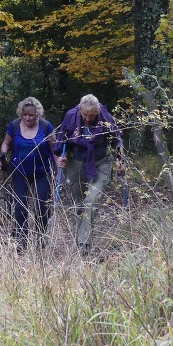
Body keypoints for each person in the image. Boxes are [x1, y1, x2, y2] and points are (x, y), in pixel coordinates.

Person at [53, 93, 124, 255]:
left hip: (101, 163)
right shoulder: (71, 116)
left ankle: (84, 245)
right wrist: (61, 158)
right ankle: (80, 239)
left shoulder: (105, 117)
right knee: (79, 204)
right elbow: (60, 142)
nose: (88, 118)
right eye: (85, 115)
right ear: (80, 111)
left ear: (97, 112)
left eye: (92, 115)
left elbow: (117, 139)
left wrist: (121, 161)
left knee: (90, 201)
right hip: (76, 162)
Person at [0, 97, 56, 252]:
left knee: (41, 206)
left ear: (37, 115)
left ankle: (41, 240)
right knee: (20, 207)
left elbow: (54, 149)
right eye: (25, 115)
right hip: (19, 171)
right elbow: (6, 143)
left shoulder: (46, 126)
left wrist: (58, 168)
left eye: (31, 115)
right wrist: (2, 154)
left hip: (42, 172)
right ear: (21, 114)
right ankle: (20, 242)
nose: (28, 118)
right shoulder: (14, 125)